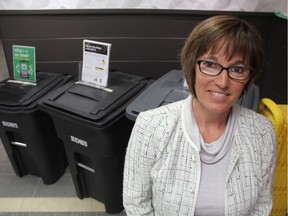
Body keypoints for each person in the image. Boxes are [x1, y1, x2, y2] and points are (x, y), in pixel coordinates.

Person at [123, 15, 276, 216]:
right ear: (192, 67)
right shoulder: (150, 125)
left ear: (248, 79)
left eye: (237, 69)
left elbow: (262, 206)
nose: (222, 82)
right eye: (211, 64)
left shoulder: (262, 132)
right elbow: (137, 206)